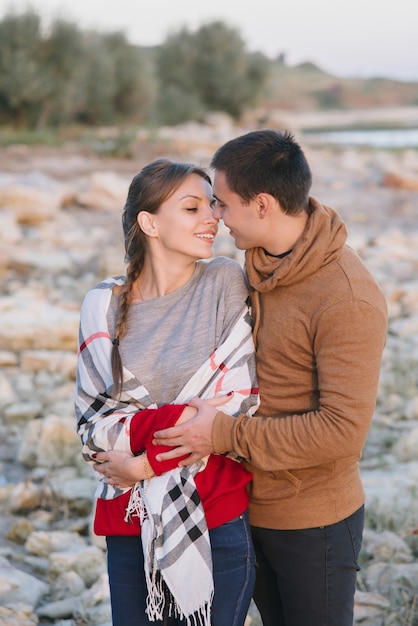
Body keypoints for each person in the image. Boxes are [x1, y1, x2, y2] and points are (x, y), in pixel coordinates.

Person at [152, 130, 389, 626]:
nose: (215, 216)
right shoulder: (252, 262)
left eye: (223, 204)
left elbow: (343, 431)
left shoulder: (348, 298)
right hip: (240, 505)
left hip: (313, 523)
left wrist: (222, 435)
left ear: (262, 205)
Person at [74, 158, 259, 626]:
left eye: (211, 207)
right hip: (128, 521)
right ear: (149, 222)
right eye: (193, 208)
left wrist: (142, 463)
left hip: (216, 515)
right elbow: (94, 427)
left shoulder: (223, 282)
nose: (212, 218)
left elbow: (234, 405)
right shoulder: (103, 303)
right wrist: (184, 421)